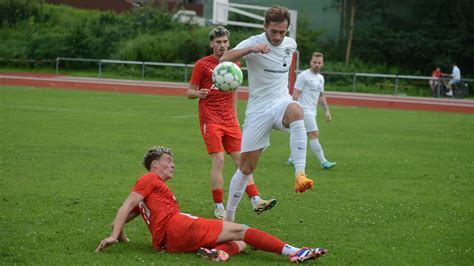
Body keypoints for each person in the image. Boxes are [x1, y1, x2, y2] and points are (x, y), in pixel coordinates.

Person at [94, 146, 327, 263]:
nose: (172, 165)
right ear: (155, 165)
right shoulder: (149, 178)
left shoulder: (151, 192)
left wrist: (121, 234)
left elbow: (125, 213)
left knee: (239, 240)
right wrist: (115, 236)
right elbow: (125, 207)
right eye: (168, 161)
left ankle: (219, 254)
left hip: (168, 242)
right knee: (242, 229)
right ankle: (294, 252)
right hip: (176, 226)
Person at [219, 5, 314, 222]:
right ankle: (228, 218)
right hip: (258, 111)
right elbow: (224, 58)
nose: (279, 36)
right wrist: (251, 50)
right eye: (274, 32)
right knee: (246, 167)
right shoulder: (253, 42)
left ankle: (300, 174)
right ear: (265, 27)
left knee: (296, 109)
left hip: (281, 103)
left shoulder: (291, 44)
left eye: (283, 32)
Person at [187, 26, 276, 219]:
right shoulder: (202, 65)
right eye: (218, 42)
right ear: (211, 44)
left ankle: (256, 200)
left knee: (242, 161)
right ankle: (219, 206)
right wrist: (199, 93)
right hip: (210, 119)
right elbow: (189, 92)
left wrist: (234, 115)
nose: (222, 45)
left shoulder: (234, 62)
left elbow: (234, 91)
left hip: (230, 121)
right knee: (218, 160)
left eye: (225, 42)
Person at [286, 52, 336, 170]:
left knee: (302, 134)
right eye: (314, 62)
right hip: (304, 110)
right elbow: (296, 93)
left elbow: (321, 96)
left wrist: (327, 111)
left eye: (319, 63)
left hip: (313, 111)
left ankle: (292, 158)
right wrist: (294, 109)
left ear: (322, 63)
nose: (316, 65)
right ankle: (323, 162)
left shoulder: (320, 78)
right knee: (314, 134)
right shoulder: (303, 76)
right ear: (310, 62)